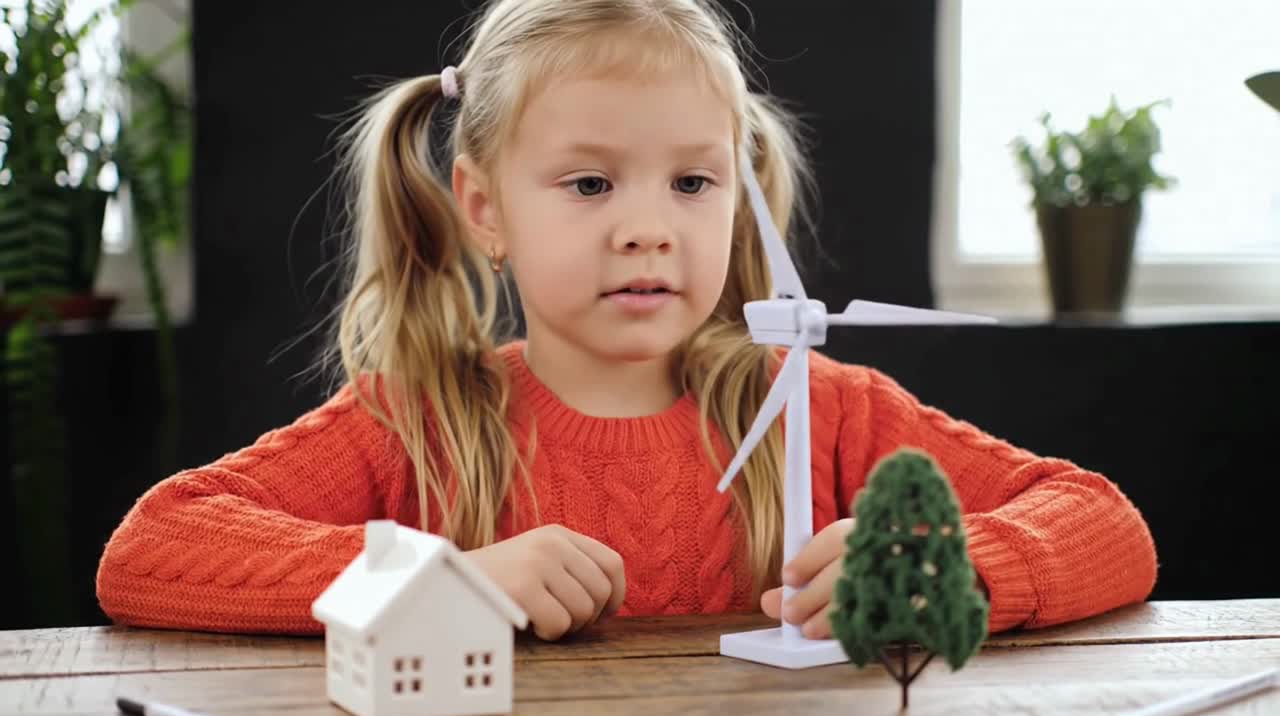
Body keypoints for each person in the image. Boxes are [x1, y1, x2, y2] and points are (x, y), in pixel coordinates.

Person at [96, 0, 1157, 641]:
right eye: (591, 186)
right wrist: (439, 580)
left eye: (692, 184)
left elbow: (1102, 522)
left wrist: (955, 567)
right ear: (483, 207)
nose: (647, 229)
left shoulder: (817, 410)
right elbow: (151, 551)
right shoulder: (417, 418)